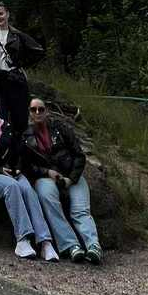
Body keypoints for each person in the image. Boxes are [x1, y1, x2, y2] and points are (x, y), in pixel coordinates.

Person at [0, 92, 58, 261]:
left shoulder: (8, 127)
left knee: (28, 190)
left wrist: (17, 169)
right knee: (13, 187)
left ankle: (45, 242)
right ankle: (22, 239)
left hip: (13, 172)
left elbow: (18, 153)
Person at [20, 97, 102, 264]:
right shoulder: (25, 136)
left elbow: (79, 156)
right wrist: (46, 172)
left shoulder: (61, 128)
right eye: (33, 109)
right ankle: (71, 246)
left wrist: (71, 179)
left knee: (80, 211)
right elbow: (27, 166)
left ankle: (94, 245)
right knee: (48, 200)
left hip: (71, 175)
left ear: (47, 111)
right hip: (46, 178)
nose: (37, 112)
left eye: (41, 109)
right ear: (29, 113)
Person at [0, 1, 43, 136]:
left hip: (15, 80)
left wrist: (20, 62)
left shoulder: (18, 35)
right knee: (0, 120)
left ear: (7, 14)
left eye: (1, 14)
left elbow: (38, 51)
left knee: (20, 119)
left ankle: (21, 145)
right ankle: (5, 147)